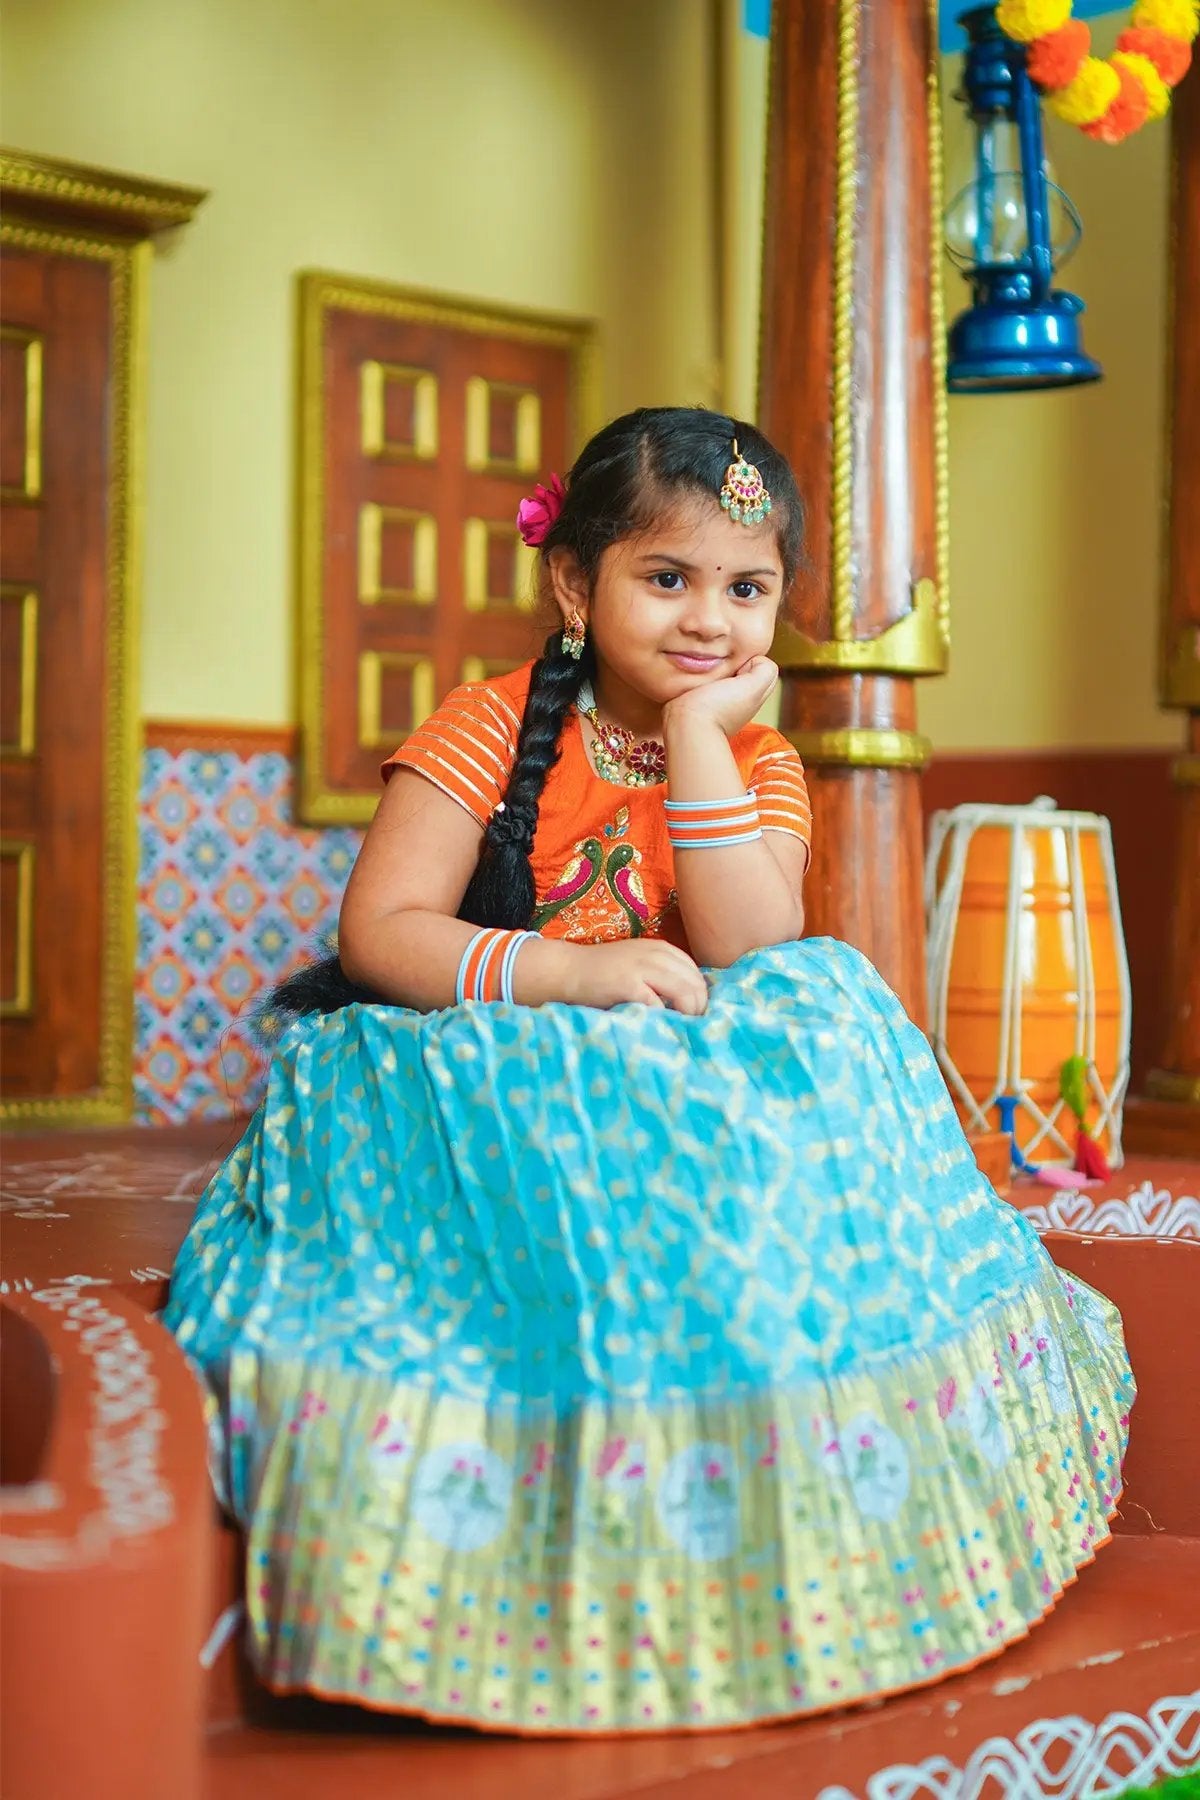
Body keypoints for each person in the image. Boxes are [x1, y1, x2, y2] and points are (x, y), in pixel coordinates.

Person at [164, 406, 1132, 1736]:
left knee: (829, 992)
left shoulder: (759, 759)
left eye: (746, 590)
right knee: (591, 1080)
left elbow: (750, 944)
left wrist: (698, 740)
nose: (708, 620)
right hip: (500, 1062)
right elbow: (380, 934)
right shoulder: (492, 724)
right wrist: (568, 974)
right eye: (665, 579)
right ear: (575, 582)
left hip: (674, 1098)